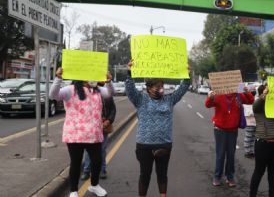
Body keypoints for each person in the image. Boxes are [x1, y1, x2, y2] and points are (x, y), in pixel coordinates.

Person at [125, 61, 190, 197]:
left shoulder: (169, 100)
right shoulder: (140, 100)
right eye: (157, 86)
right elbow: (130, 90)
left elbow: (183, 88)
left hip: (164, 144)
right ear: (149, 88)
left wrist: (187, 75)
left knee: (162, 174)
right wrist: (129, 73)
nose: (161, 89)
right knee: (145, 174)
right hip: (144, 145)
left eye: (162, 86)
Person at [49, 68, 113, 197]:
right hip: (75, 135)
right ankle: (73, 190)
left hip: (94, 134)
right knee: (76, 163)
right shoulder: (70, 90)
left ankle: (94, 185)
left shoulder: (98, 91)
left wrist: (109, 82)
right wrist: (58, 78)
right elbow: (53, 95)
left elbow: (111, 93)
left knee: (97, 161)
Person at [205, 86, 254, 187]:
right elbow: (208, 105)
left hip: (233, 130)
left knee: (231, 155)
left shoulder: (238, 95)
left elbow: (251, 101)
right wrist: (210, 97)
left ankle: (230, 177)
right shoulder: (218, 94)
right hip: (220, 130)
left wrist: (246, 91)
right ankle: (217, 177)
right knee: (220, 154)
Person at [249, 84, 274, 197]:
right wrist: (264, 96)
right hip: (263, 143)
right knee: (259, 171)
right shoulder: (260, 105)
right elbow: (255, 107)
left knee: (273, 173)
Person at [81, 82, 117, 180]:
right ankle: (86, 171)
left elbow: (113, 110)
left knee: (102, 149)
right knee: (88, 150)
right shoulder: (86, 95)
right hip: (90, 127)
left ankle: (102, 170)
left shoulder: (107, 95)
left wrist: (109, 121)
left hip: (103, 126)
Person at [244, 90, 257, 159]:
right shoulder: (247, 102)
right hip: (249, 123)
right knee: (248, 138)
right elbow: (248, 113)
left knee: (252, 138)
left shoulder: (254, 101)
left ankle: (251, 151)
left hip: (255, 123)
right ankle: (247, 152)